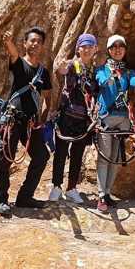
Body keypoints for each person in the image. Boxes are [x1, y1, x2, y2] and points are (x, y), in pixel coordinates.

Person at [0, 26, 52, 216]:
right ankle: (1, 200)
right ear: (25, 43)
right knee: (3, 159)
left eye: (39, 42)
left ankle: (25, 197)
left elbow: (48, 99)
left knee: (42, 156)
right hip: (12, 121)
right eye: (31, 40)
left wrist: (41, 119)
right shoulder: (19, 64)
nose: (35, 44)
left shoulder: (43, 73)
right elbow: (13, 53)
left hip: (31, 124)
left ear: (42, 46)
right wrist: (8, 42)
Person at [47, 33, 99, 204]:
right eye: (84, 46)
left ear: (95, 49)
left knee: (77, 154)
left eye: (90, 46)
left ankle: (71, 188)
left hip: (83, 120)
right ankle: (56, 186)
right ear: (78, 48)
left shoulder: (94, 70)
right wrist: (61, 68)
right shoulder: (72, 65)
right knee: (61, 153)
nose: (87, 49)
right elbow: (61, 70)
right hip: (66, 116)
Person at [94, 34, 135, 213]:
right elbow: (101, 81)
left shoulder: (129, 72)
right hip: (106, 117)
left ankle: (107, 193)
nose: (118, 49)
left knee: (115, 158)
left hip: (122, 119)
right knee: (105, 157)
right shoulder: (102, 69)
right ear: (109, 50)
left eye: (121, 46)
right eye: (114, 47)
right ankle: (100, 195)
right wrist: (109, 78)